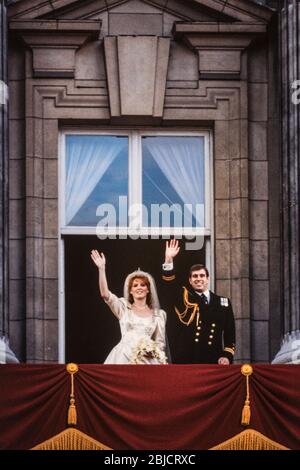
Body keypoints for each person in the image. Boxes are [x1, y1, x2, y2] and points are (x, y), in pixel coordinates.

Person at [162, 240, 235, 364]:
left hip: (213, 358)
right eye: (195, 276)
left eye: (202, 276)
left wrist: (227, 356)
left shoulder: (223, 303)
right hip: (187, 359)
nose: (198, 279)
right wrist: (168, 259)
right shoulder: (184, 298)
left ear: (207, 279)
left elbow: (230, 334)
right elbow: (170, 285)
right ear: (190, 280)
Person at [91, 250, 168, 364]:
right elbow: (105, 295)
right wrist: (101, 269)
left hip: (147, 360)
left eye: (143, 285)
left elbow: (160, 344)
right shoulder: (123, 308)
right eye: (135, 285)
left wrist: (152, 352)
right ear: (130, 291)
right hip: (123, 357)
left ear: (148, 289)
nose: (139, 288)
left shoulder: (158, 314)